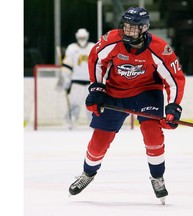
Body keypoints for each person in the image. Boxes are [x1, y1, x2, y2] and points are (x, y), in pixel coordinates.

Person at [68, 7, 186, 204]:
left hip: (147, 92)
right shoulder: (111, 40)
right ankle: (87, 173)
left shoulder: (159, 48)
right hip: (115, 92)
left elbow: (174, 80)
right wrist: (97, 89)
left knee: (153, 134)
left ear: (144, 28)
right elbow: (97, 61)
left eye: (133, 28)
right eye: (126, 26)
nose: (127, 31)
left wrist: (173, 106)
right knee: (99, 141)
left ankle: (157, 177)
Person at [60, 28, 95, 129]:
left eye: (83, 37)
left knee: (92, 104)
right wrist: (66, 80)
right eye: (80, 37)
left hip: (91, 82)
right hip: (76, 81)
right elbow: (67, 66)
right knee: (74, 104)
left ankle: (93, 123)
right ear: (77, 37)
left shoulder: (93, 47)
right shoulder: (71, 48)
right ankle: (70, 122)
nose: (82, 39)